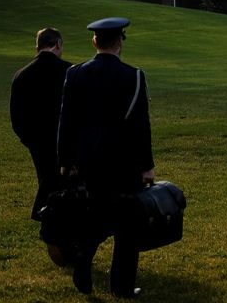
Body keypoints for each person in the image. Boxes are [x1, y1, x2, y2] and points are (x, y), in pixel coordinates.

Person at [58, 17, 155, 298]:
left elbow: (67, 121)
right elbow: (141, 126)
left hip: (88, 159)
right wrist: (147, 166)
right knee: (127, 224)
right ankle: (121, 285)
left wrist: (65, 160)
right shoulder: (133, 75)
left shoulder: (75, 74)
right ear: (120, 42)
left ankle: (83, 262)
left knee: (96, 215)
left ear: (94, 42)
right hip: (123, 161)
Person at [10, 27, 72, 222]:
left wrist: (29, 139)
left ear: (37, 46)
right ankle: (49, 214)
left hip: (37, 141)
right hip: (65, 139)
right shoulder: (70, 71)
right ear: (58, 44)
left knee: (46, 177)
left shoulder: (21, 75)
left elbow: (16, 116)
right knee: (62, 182)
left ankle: (48, 214)